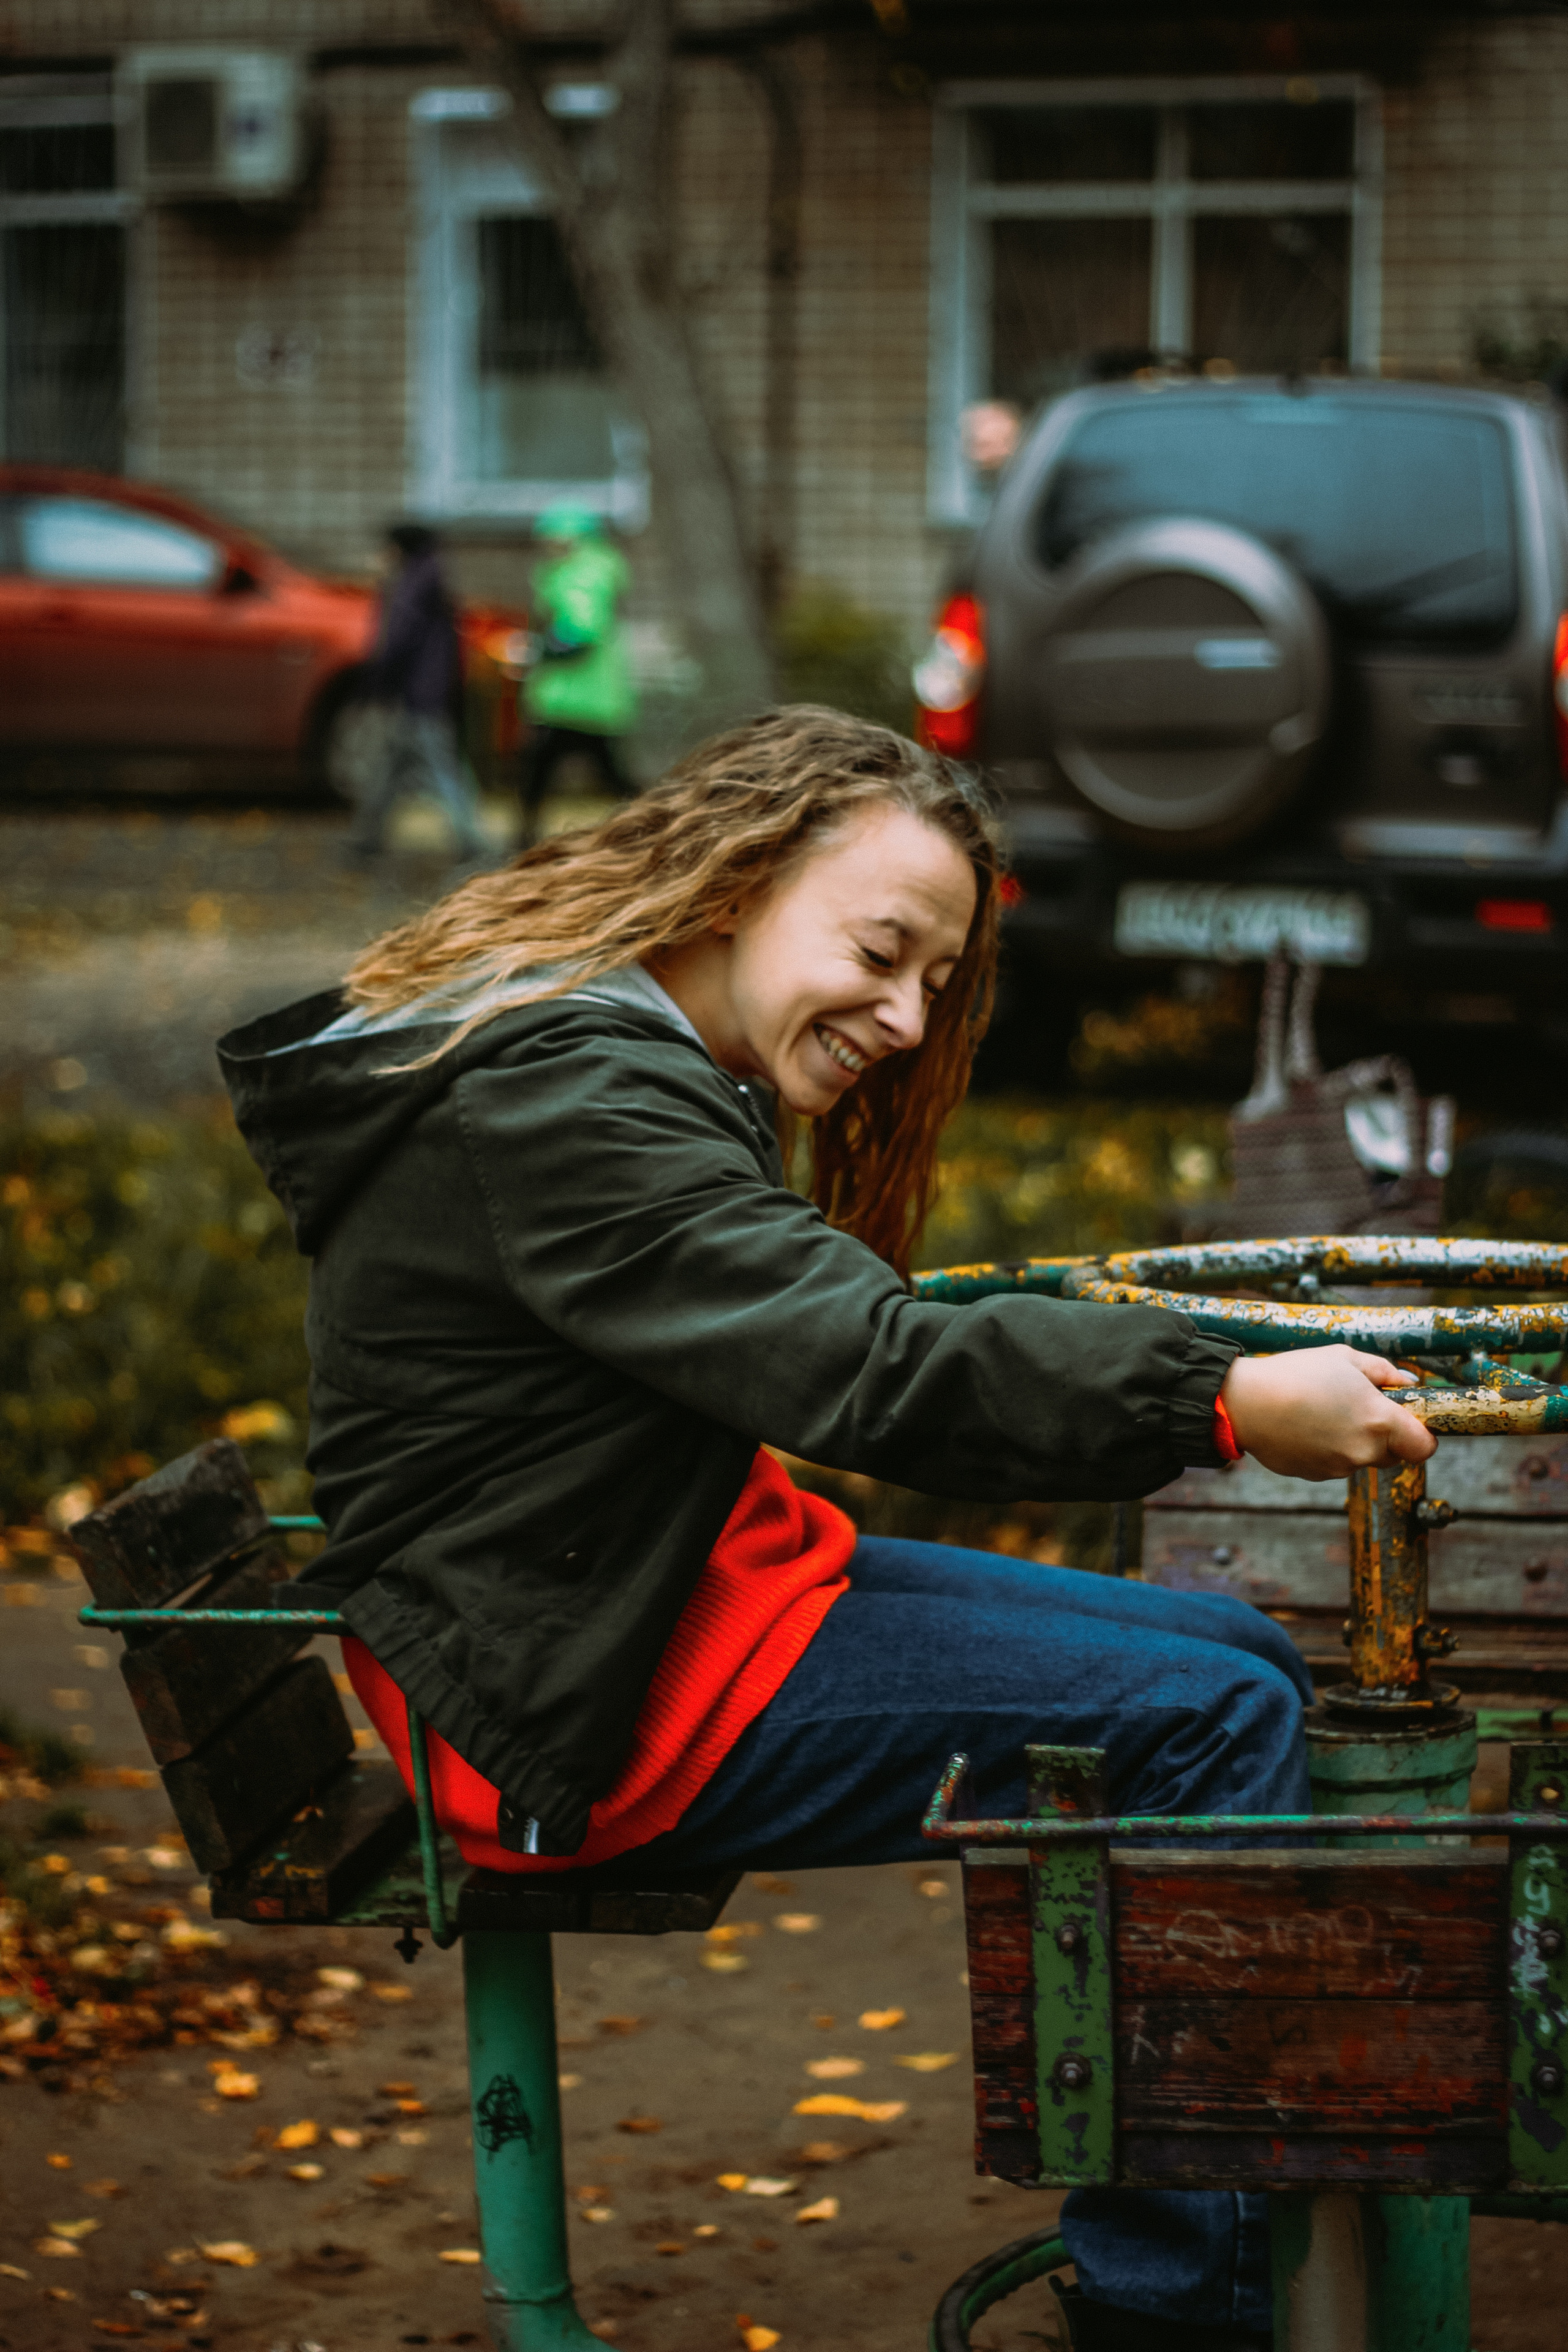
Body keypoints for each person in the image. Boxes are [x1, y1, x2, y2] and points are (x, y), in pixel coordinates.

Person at [219, 707, 1434, 2351]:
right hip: (568, 1688)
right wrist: (1224, 1396)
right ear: (732, 885)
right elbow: (865, 1364)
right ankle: (1179, 2311)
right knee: (1212, 1718)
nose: (906, 1012)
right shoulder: (576, 1094)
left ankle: (1201, 2219)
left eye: (937, 977)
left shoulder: (607, 1051)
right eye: (880, 951)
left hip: (621, 1603)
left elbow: (806, 1321)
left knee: (1234, 1660)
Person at [345, 522, 488, 869]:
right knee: (393, 768)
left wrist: (377, 684)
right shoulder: (427, 579)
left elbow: (396, 642)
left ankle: (473, 841)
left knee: (439, 767)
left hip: (418, 694)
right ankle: (367, 838)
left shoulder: (408, 585)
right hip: (425, 691)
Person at [519, 505, 637, 842]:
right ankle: (522, 835)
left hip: (572, 696)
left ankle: (522, 838)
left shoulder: (581, 575)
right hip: (588, 697)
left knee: (541, 772)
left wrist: (540, 650)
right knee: (606, 776)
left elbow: (581, 632)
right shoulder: (594, 569)